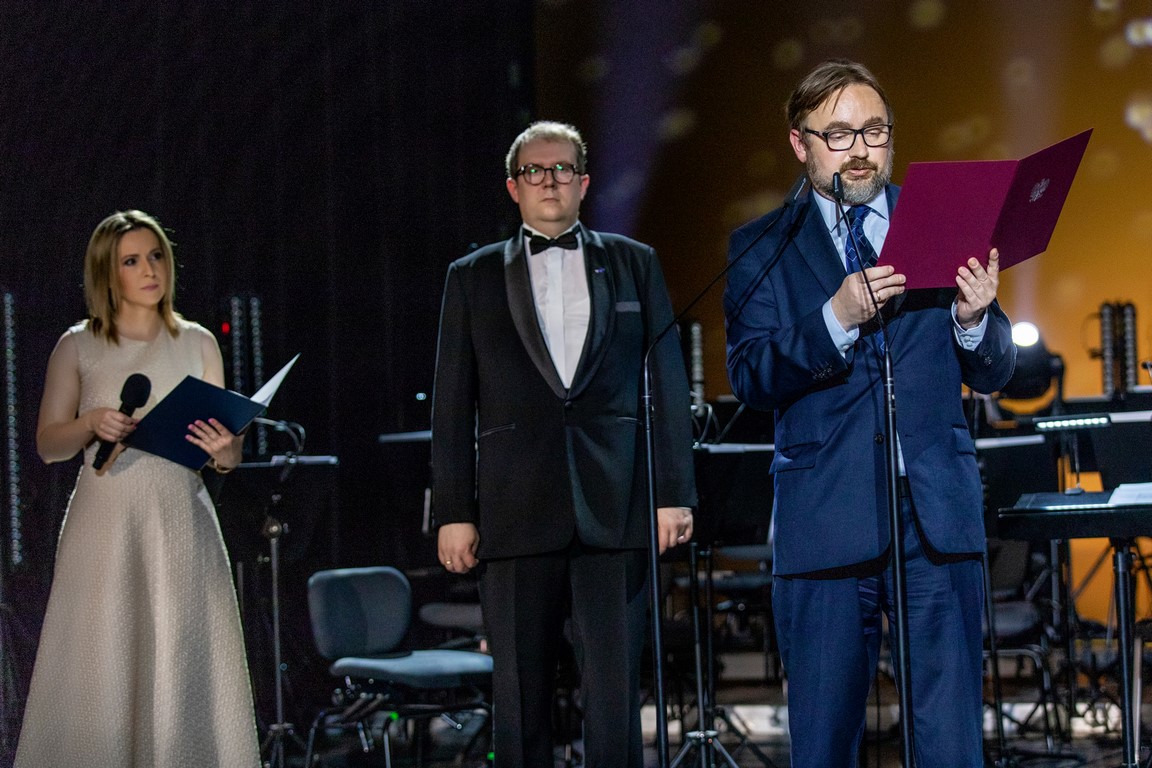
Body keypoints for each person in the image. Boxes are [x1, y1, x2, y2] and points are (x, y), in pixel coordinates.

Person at [724, 60, 1016, 767]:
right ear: (800, 143)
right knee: (825, 740)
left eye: (874, 131)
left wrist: (974, 320)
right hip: (826, 516)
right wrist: (835, 318)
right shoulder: (762, 246)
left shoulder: (941, 221)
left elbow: (994, 369)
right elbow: (751, 374)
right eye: (839, 134)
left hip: (934, 515)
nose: (859, 149)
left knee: (951, 740)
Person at [431, 120, 697, 767]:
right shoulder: (471, 277)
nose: (548, 181)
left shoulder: (634, 263)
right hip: (513, 513)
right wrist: (453, 511)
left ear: (583, 182)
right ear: (513, 187)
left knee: (614, 700)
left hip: (617, 508)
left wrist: (673, 494)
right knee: (519, 702)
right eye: (534, 171)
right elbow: (451, 405)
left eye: (561, 170)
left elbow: (667, 386)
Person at [15, 210, 260, 767]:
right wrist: (91, 422)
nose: (149, 270)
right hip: (107, 519)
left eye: (155, 257)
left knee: (180, 654)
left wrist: (227, 454)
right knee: (104, 655)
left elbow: (225, 449)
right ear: (108, 273)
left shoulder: (197, 341)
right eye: (132, 261)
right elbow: (49, 444)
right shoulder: (78, 345)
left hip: (180, 517)